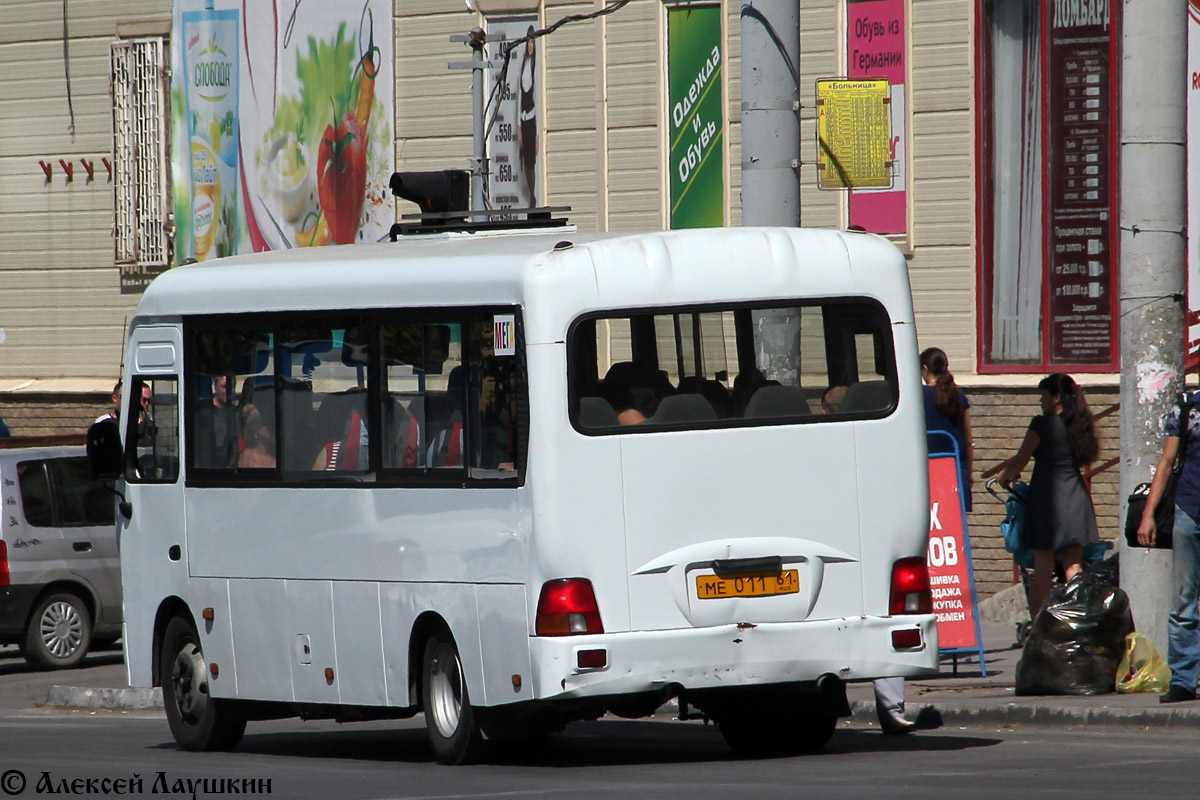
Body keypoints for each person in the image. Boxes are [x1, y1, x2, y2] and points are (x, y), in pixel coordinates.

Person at [996, 373, 1100, 617]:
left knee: (1042, 568)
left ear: (1055, 397)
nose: (1040, 402)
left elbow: (1020, 461)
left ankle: (1039, 625)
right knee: (1073, 566)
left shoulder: (1041, 425)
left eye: (1043, 396)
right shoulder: (1078, 423)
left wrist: (1003, 477)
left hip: (1048, 501)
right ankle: (1076, 619)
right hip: (1076, 497)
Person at [1137, 386, 1200, 703]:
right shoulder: (1187, 408)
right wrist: (1148, 515)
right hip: (1189, 510)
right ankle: (1184, 680)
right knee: (1183, 601)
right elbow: (1167, 461)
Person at [920, 347, 974, 511]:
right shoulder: (959, 396)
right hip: (957, 472)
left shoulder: (919, 395)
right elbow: (968, 440)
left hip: (929, 474)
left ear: (925, 369)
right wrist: (969, 474)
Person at [238, 404, 276, 469]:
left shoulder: (280, 457)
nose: (272, 430)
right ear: (256, 431)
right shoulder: (246, 457)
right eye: (267, 425)